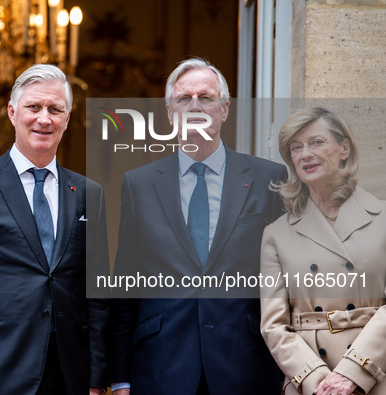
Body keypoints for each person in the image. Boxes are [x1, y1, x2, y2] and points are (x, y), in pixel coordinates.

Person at [0, 64, 110, 394]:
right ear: (12, 112)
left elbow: (96, 296)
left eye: (55, 109)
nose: (45, 119)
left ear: (67, 119)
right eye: (34, 107)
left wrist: (97, 380)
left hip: (68, 373)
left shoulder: (89, 193)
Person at [109, 57, 286, 394]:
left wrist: (290, 369)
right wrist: (120, 378)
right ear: (169, 111)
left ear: (225, 109)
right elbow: (125, 284)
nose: (194, 106)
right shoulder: (139, 183)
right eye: (183, 98)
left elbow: (285, 282)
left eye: (206, 97)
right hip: (161, 366)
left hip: (247, 364)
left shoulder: (269, 179)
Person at [260, 106, 386, 395]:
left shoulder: (383, 219)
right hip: (310, 382)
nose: (305, 154)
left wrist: (352, 373)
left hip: (376, 375)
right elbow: (273, 325)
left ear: (344, 148)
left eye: (316, 142)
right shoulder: (276, 234)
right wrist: (318, 380)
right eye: (296, 147)